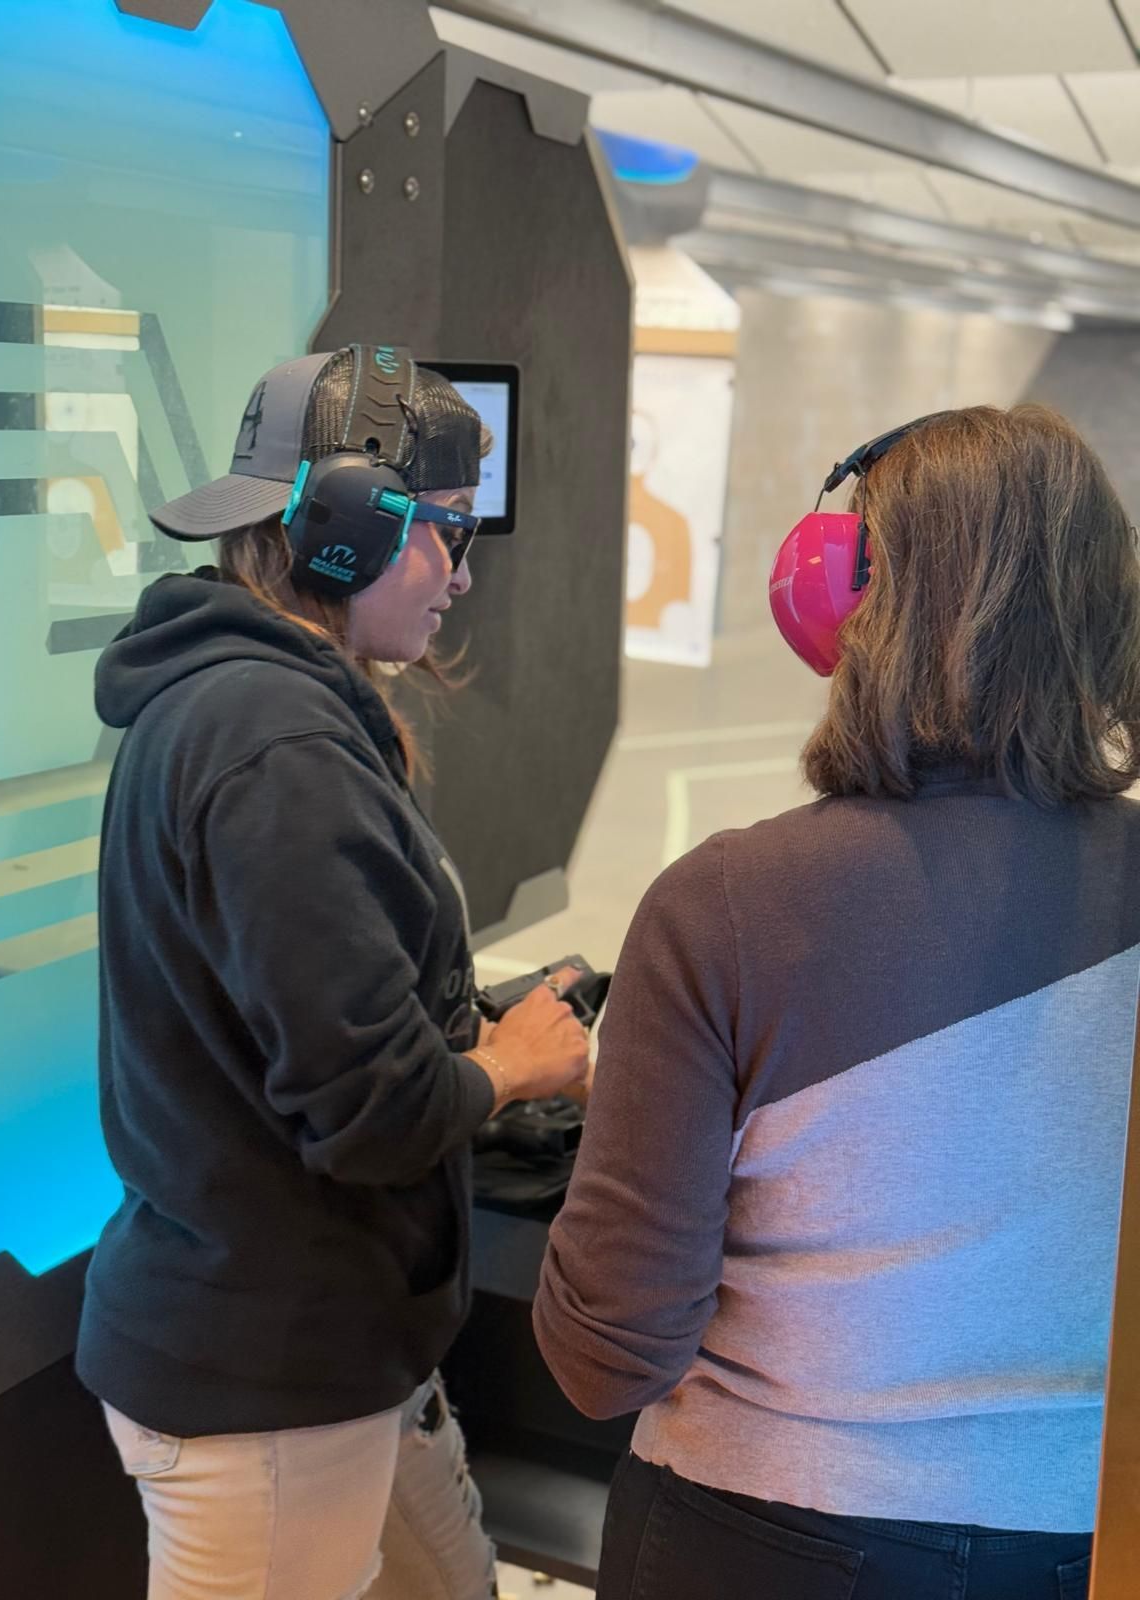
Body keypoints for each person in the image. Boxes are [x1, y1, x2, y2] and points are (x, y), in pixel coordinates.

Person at [534, 404, 1140, 1600]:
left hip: (760, 1534)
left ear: (854, 607)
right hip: (1090, 1537)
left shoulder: (722, 906)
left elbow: (608, 1357)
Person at [75, 345, 590, 1600]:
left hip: (337, 1350)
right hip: (267, 1383)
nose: (465, 576)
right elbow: (370, 1111)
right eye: (451, 534)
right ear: (354, 530)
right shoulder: (277, 743)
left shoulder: (239, 706)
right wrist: (513, 1063)